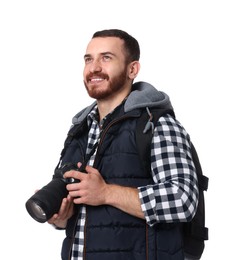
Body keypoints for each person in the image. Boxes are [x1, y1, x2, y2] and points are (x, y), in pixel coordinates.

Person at [48, 29, 199, 260]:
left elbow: (183, 199)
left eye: (106, 57)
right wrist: (62, 218)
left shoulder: (155, 125)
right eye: (89, 59)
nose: (94, 67)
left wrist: (106, 192)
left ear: (132, 69)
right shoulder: (80, 129)